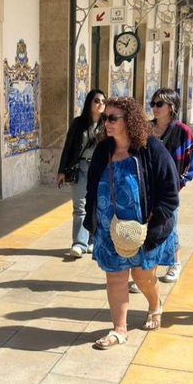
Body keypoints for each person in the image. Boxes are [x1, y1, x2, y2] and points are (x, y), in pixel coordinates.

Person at [85, 97, 179, 348]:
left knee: (142, 276)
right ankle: (119, 330)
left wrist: (155, 221)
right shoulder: (103, 150)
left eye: (113, 118)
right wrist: (91, 218)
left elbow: (170, 192)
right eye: (105, 118)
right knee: (115, 278)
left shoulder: (151, 149)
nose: (107, 123)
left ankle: (154, 304)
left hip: (143, 230)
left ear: (130, 121)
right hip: (109, 230)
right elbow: (92, 186)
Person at [150, 88, 193, 282]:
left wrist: (179, 183)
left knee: (169, 224)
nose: (154, 108)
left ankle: (174, 263)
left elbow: (189, 160)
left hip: (169, 189)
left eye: (159, 104)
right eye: (152, 103)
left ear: (171, 106)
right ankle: (147, 270)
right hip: (148, 188)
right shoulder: (146, 128)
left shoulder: (182, 131)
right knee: (149, 227)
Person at [56, 89, 106, 258]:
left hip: (100, 168)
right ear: (89, 103)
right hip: (81, 167)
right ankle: (79, 243)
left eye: (103, 101)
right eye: (97, 101)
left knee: (97, 205)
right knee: (80, 206)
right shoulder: (78, 123)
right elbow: (68, 147)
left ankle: (93, 240)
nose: (100, 104)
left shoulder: (107, 124)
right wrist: (61, 171)